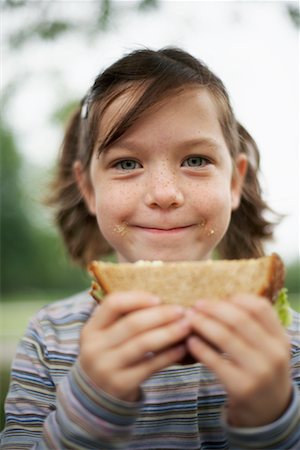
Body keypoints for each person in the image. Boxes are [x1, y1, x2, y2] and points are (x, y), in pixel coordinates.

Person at [1, 47, 299, 450]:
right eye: (126, 164)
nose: (164, 194)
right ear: (88, 189)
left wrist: (272, 419)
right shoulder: (49, 339)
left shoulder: (285, 341)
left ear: (234, 183)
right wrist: (89, 407)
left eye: (195, 159)